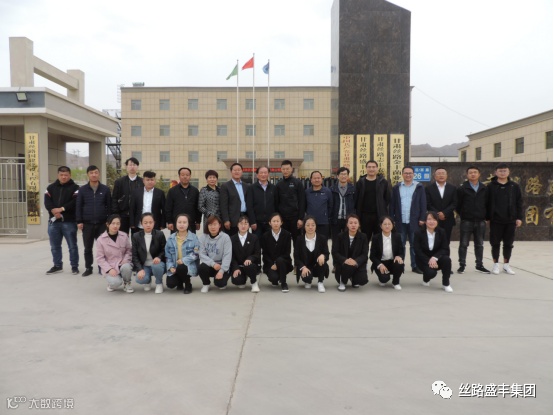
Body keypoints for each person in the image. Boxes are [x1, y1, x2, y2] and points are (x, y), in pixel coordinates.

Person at [486, 163, 523, 275]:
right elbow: (486, 203)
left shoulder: (514, 186)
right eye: (500, 171)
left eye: (504, 171)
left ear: (508, 172)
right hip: (495, 220)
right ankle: (496, 264)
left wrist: (519, 218)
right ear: (496, 172)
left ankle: (506, 265)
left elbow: (519, 203)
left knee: (508, 244)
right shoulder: (490, 186)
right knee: (495, 243)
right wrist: (487, 217)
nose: (502, 173)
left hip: (510, 220)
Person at [389, 166, 427, 274]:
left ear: (413, 174)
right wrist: (391, 219)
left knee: (414, 245)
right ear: (402, 174)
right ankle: (400, 266)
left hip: (415, 220)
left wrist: (422, 218)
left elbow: (423, 203)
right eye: (406, 173)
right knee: (400, 245)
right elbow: (392, 205)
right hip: (400, 220)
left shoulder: (419, 187)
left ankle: (415, 266)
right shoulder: (397, 187)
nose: (408, 175)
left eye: (410, 173)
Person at [76, 165, 112, 277]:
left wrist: (109, 221)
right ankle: (88, 268)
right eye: (91, 173)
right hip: (87, 224)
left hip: (102, 224)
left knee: (103, 248)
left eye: (96, 172)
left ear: (99, 174)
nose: (94, 175)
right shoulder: (82, 190)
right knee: (88, 248)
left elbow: (109, 206)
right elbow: (78, 206)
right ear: (88, 174)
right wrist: (79, 221)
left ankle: (103, 267)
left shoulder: (105, 189)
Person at [44, 166, 80, 275]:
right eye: (61, 175)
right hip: (54, 222)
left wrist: (62, 209)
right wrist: (54, 211)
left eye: (66, 175)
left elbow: (75, 202)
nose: (64, 177)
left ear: (70, 175)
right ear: (58, 175)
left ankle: (74, 266)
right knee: (55, 246)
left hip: (69, 221)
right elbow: (47, 202)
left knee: (72, 246)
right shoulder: (50, 187)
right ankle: (57, 266)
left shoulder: (75, 188)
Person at [456, 165, 490, 274]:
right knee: (463, 244)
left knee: (479, 244)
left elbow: (488, 204)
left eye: (475, 172)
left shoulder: (484, 188)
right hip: (466, 221)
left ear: (479, 174)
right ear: (467, 175)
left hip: (480, 221)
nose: (473, 174)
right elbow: (458, 205)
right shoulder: (462, 188)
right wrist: (464, 215)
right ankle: (462, 265)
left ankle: (479, 265)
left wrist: (486, 217)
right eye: (470, 172)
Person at [414, 211, 453, 293]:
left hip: (436, 258)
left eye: (434, 220)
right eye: (429, 219)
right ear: (425, 221)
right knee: (431, 273)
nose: (432, 222)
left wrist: (435, 258)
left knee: (447, 260)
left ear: (437, 221)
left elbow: (445, 249)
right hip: (423, 260)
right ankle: (426, 279)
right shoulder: (418, 233)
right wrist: (429, 261)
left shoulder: (441, 232)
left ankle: (446, 284)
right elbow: (417, 250)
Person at [96, 214, 134, 293]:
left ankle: (127, 283)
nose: (115, 226)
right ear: (107, 224)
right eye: (113, 223)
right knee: (116, 283)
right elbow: (100, 258)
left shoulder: (124, 236)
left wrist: (125, 260)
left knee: (127, 267)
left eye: (118, 223)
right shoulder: (101, 239)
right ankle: (111, 284)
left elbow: (129, 250)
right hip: (110, 266)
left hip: (122, 263)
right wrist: (109, 269)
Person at [331, 214, 369, 292]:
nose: (353, 225)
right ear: (347, 225)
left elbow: (364, 254)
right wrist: (345, 260)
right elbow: (335, 252)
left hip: (356, 264)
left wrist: (356, 261)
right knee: (348, 267)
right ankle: (343, 281)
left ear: (359, 225)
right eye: (351, 223)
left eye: (355, 223)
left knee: (362, 280)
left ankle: (353, 279)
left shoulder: (363, 237)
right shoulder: (340, 236)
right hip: (343, 265)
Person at [355, 160, 390, 242]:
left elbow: (387, 198)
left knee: (379, 240)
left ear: (377, 168)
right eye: (369, 167)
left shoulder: (383, 182)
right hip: (364, 216)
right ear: (366, 168)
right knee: (364, 240)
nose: (371, 169)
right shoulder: (360, 182)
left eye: (373, 167)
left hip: (379, 215)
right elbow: (356, 199)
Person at [132, 213, 167, 294]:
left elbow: (164, 249)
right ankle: (147, 281)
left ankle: (159, 283)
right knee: (140, 279)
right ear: (141, 223)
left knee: (157, 266)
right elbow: (134, 255)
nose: (148, 225)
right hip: (144, 265)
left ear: (154, 222)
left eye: (150, 222)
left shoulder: (160, 234)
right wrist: (140, 269)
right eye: (145, 223)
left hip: (157, 263)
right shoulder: (136, 236)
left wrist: (159, 257)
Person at [165, 213, 200, 294]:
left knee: (181, 268)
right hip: (175, 266)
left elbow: (196, 253)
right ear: (176, 223)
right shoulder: (170, 239)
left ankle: (188, 284)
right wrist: (170, 267)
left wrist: (183, 260)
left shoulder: (194, 237)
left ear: (188, 224)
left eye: (184, 222)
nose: (182, 224)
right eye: (179, 222)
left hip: (188, 266)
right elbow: (167, 256)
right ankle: (180, 282)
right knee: (170, 284)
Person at [294, 216, 330, 293]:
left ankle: (320, 282)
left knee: (322, 261)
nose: (310, 227)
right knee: (307, 278)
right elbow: (296, 257)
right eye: (308, 225)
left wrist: (323, 256)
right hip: (306, 267)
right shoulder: (299, 239)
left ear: (316, 226)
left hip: (318, 266)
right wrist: (303, 267)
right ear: (304, 226)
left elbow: (327, 254)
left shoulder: (322, 238)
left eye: (313, 225)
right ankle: (308, 281)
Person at [198, 215, 233, 292]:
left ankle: (221, 278)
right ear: (207, 226)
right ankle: (206, 284)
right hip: (210, 264)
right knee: (201, 267)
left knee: (220, 284)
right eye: (210, 225)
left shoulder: (225, 237)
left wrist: (221, 271)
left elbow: (227, 256)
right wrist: (213, 264)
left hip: (221, 265)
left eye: (215, 224)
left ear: (219, 225)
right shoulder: (203, 237)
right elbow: (202, 254)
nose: (212, 227)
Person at [260, 212, 293, 293]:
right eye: (274, 221)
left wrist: (277, 264)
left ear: (281, 222)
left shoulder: (287, 235)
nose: (276, 223)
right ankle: (275, 279)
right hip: (270, 264)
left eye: (278, 221)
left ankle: (283, 283)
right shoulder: (265, 236)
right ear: (270, 223)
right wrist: (271, 264)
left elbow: (287, 253)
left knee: (280, 260)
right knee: (274, 278)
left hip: (284, 262)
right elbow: (265, 254)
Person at [369, 216, 405, 290]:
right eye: (385, 224)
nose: (387, 226)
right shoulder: (376, 238)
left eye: (389, 224)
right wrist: (380, 264)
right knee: (384, 279)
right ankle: (383, 278)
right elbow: (372, 256)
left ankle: (395, 282)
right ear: (381, 226)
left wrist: (399, 256)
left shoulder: (397, 236)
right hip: (381, 263)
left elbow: (401, 252)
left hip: (393, 262)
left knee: (399, 263)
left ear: (393, 225)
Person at [275, 160, 306, 241]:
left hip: (295, 218)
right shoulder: (278, 185)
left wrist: (301, 218)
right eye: (283, 169)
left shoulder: (297, 183)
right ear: (281, 170)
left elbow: (302, 201)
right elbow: (276, 203)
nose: (285, 171)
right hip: (283, 218)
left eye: (287, 169)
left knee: (297, 241)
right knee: (284, 241)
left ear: (291, 169)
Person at [111, 157, 143, 234]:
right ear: (126, 166)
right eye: (130, 165)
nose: (132, 167)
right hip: (123, 215)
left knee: (137, 237)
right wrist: (116, 214)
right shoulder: (119, 182)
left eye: (134, 165)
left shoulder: (142, 182)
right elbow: (114, 198)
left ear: (137, 167)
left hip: (137, 215)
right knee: (122, 237)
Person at [425, 167, 457, 242]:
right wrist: (437, 214)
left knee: (446, 240)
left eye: (443, 173)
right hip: (433, 219)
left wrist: (444, 213)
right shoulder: (428, 188)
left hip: (448, 218)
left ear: (446, 176)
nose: (441, 175)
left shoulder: (452, 188)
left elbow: (454, 203)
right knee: (433, 240)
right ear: (435, 176)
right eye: (439, 174)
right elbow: (428, 203)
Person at [230, 215, 261, 292]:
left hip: (251, 265)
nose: (243, 226)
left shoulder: (254, 238)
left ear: (249, 226)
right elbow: (231, 256)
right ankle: (243, 278)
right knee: (237, 281)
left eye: (246, 223)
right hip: (239, 266)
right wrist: (235, 268)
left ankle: (254, 282)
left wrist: (250, 259)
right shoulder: (232, 239)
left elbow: (257, 253)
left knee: (249, 266)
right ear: (237, 225)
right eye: (241, 223)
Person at [165, 167, 201, 233]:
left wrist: (198, 221)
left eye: (187, 175)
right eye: (183, 175)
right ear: (179, 176)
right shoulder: (172, 191)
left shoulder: (195, 191)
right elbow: (168, 208)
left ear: (190, 176)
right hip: (176, 223)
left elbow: (198, 208)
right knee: (176, 239)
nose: (185, 177)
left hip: (191, 223)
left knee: (191, 239)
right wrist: (169, 221)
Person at [246, 166, 277, 239]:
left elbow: (276, 205)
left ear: (268, 174)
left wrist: (275, 220)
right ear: (257, 175)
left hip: (270, 222)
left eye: (265, 173)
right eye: (261, 173)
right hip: (257, 223)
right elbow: (249, 206)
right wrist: (252, 221)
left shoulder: (273, 188)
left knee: (269, 243)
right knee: (257, 242)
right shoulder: (251, 188)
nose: (263, 174)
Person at [220, 163, 250, 236]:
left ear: (242, 171)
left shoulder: (246, 186)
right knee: (232, 239)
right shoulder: (225, 186)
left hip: (244, 216)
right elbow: (223, 205)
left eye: (239, 170)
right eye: (235, 170)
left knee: (244, 238)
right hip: (232, 219)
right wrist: (226, 220)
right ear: (231, 172)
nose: (237, 172)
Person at [330, 166, 356, 241]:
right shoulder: (332, 189)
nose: (343, 176)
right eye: (341, 174)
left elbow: (356, 203)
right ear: (338, 176)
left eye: (345, 174)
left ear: (348, 176)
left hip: (348, 219)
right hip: (335, 219)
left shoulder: (353, 189)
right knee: (335, 241)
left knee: (347, 241)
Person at [305, 171, 333, 239]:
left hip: (323, 222)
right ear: (311, 180)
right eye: (314, 178)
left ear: (322, 179)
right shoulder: (307, 192)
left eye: (318, 178)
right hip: (310, 223)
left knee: (323, 242)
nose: (317, 180)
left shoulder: (327, 191)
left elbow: (330, 206)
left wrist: (326, 216)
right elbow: (304, 206)